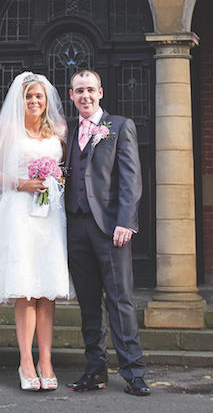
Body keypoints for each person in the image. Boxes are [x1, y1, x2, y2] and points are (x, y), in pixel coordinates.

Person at [0, 72, 72, 392]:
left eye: (39, 97)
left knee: (47, 290)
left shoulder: (58, 130)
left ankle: (46, 361)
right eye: (29, 96)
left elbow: (66, 171)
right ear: (21, 100)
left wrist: (53, 181)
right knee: (26, 288)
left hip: (48, 216)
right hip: (18, 211)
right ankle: (26, 362)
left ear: (47, 102)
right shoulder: (9, 129)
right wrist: (22, 183)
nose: (34, 101)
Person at [64, 69, 150, 396]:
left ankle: (134, 372)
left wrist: (126, 221)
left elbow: (131, 178)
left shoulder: (119, 126)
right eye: (78, 91)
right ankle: (95, 371)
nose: (85, 96)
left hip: (111, 227)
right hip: (75, 226)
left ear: (100, 92)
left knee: (120, 299)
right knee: (88, 303)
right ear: (71, 96)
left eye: (90, 90)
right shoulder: (69, 130)